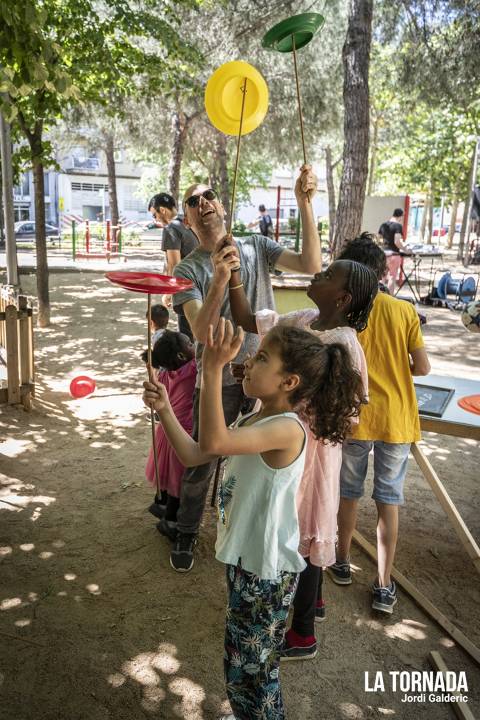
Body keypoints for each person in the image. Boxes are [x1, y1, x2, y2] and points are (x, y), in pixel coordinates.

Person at [143, 319, 363, 720]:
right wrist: (164, 412)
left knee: (253, 673)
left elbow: (214, 442)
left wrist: (211, 369)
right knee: (243, 661)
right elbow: (196, 453)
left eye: (262, 358)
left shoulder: (288, 429)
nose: (248, 361)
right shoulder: (256, 418)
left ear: (289, 381)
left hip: (266, 573)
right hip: (248, 564)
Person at [164, 165, 320, 572]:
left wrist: (306, 205)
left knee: (261, 460)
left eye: (209, 195)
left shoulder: (256, 245)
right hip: (218, 374)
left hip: (265, 378)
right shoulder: (186, 270)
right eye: (193, 201)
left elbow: (309, 262)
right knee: (203, 455)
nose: (204, 203)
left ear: (223, 205)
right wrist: (218, 277)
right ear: (188, 220)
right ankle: (186, 530)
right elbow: (200, 329)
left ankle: (247, 535)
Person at [228, 258, 378, 660]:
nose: (318, 274)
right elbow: (248, 319)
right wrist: (235, 277)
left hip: (311, 451)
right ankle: (315, 602)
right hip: (287, 438)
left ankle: (303, 631)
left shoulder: (345, 343)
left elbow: (350, 413)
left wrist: (292, 404)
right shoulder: (303, 317)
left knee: (303, 530)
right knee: (302, 526)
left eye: (328, 276)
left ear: (343, 298)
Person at [330, 233, 431, 614]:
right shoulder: (403, 311)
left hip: (356, 417)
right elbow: (421, 367)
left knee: (349, 492)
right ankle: (384, 584)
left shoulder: (346, 315)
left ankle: (341, 561)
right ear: (380, 272)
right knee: (389, 499)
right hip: (396, 420)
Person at [145, 331, 196, 523]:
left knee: (166, 473)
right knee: (178, 480)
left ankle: (160, 504)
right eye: (190, 344)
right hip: (183, 432)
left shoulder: (166, 373)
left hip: (166, 430)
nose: (194, 345)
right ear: (182, 355)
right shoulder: (193, 369)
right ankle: (171, 521)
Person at [148, 192, 199, 338]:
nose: (155, 219)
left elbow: (175, 264)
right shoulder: (189, 222)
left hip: (186, 289)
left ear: (162, 210)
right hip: (203, 285)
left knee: (187, 337)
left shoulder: (171, 228)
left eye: (154, 215)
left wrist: (168, 293)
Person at [378, 208, 412, 293]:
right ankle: (390, 299)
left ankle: (379, 297)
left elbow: (378, 239)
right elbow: (397, 241)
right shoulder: (398, 226)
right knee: (392, 278)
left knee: (382, 277)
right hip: (393, 255)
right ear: (400, 216)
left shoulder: (383, 225)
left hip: (383, 254)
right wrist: (405, 249)